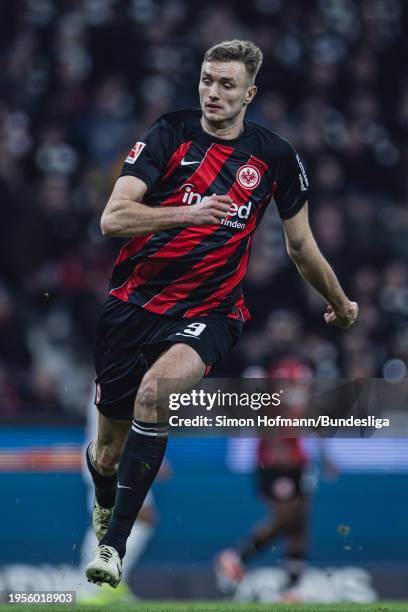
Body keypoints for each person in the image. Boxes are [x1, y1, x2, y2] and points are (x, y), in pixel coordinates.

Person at [85, 39, 358, 587]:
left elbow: (301, 247)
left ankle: (113, 548)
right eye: (207, 80)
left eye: (226, 84)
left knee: (155, 393)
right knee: (108, 453)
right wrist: (188, 213)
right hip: (131, 306)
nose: (212, 92)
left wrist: (341, 302)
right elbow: (113, 219)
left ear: (249, 93)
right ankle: (107, 504)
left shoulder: (275, 157)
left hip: (211, 311)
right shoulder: (169, 133)